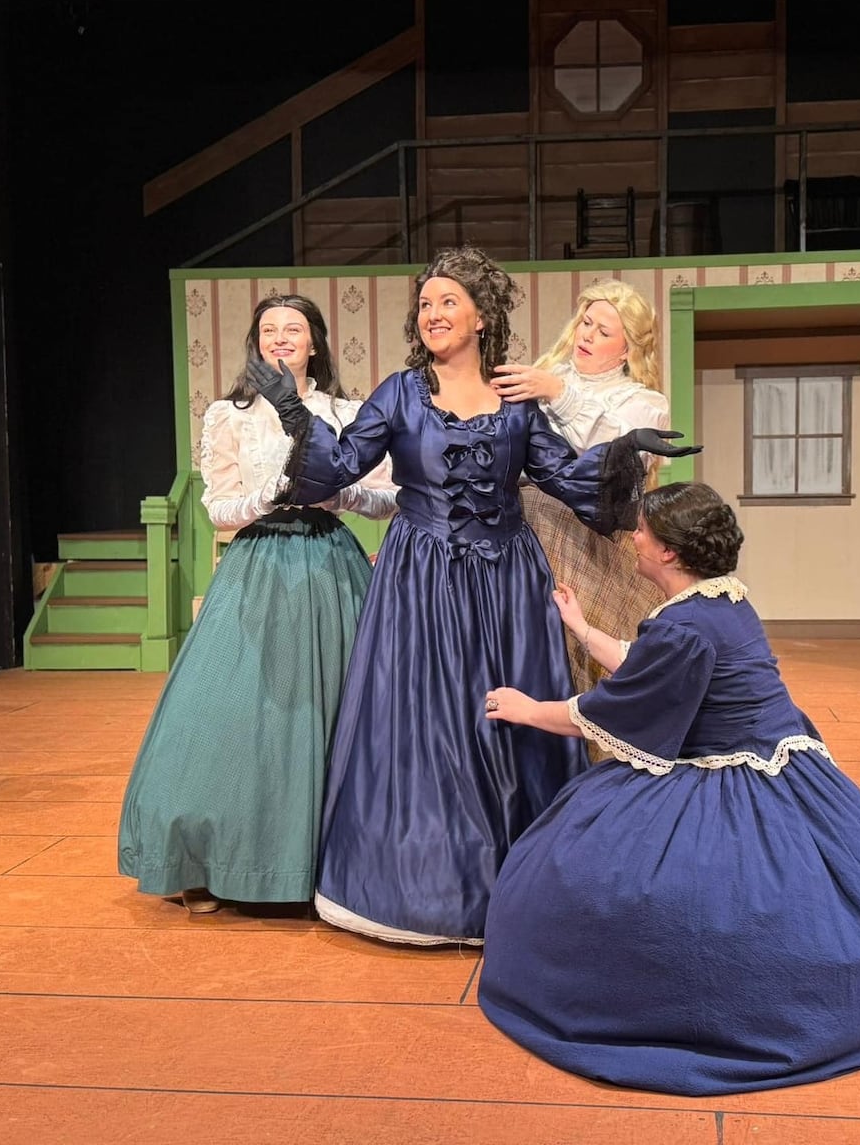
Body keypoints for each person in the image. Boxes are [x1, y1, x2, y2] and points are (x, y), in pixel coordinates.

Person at [249, 245, 698, 946]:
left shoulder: (517, 402)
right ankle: (420, 890)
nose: (432, 313)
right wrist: (293, 416)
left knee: (506, 724)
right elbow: (334, 469)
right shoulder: (400, 393)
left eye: (447, 301)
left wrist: (620, 453)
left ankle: (513, 890)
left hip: (507, 583)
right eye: (425, 303)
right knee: (424, 726)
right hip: (419, 579)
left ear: (483, 316)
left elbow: (568, 483)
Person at [477, 482, 860, 1095]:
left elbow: (605, 710)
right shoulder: (723, 605)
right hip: (785, 765)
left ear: (670, 553)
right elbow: (655, 667)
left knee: (605, 885)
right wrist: (582, 627)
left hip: (727, 774)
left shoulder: (685, 625)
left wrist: (525, 707)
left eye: (643, 531)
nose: (634, 539)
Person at [117, 294, 397, 914]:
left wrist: (338, 490)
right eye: (268, 329)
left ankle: (327, 863)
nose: (280, 338)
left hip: (328, 562)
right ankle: (213, 859)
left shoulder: (346, 413)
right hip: (260, 562)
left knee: (335, 707)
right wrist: (272, 493)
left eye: (293, 329)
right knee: (232, 710)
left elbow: (386, 498)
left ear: (315, 343)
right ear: (256, 343)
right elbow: (217, 507)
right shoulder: (229, 414)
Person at [491, 280, 668, 700]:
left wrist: (559, 393)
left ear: (627, 349)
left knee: (580, 648)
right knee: (517, 643)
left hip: (589, 539)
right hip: (521, 528)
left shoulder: (643, 402)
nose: (587, 334)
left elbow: (614, 456)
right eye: (586, 322)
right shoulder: (540, 378)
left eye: (604, 331)